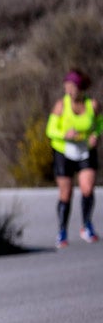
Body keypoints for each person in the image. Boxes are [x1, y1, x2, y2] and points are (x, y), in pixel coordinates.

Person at [46, 68, 101, 248]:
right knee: (66, 193)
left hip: (85, 150)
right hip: (64, 151)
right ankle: (62, 231)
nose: (69, 90)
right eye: (66, 86)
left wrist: (97, 134)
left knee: (87, 188)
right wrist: (64, 134)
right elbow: (50, 130)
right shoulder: (61, 105)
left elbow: (100, 123)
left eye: (73, 87)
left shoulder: (92, 105)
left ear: (81, 88)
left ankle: (86, 225)